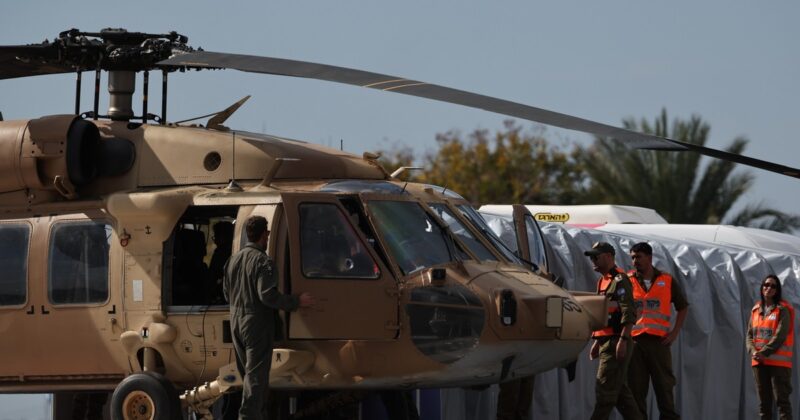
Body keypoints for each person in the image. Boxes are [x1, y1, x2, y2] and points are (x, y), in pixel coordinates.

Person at [224, 215, 315, 419]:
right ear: (264, 235)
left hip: (235, 320)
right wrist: (296, 301)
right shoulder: (262, 262)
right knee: (256, 377)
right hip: (255, 323)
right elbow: (267, 296)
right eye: (267, 234)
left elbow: (226, 292)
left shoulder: (233, 260)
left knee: (247, 375)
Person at [627, 242, 688, 419]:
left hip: (659, 344)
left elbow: (683, 307)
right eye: (632, 257)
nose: (634, 261)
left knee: (665, 389)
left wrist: (675, 332)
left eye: (638, 257)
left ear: (649, 257)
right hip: (636, 342)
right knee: (636, 391)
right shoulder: (627, 280)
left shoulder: (667, 280)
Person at [584, 241, 642, 420]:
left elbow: (629, 311)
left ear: (609, 256)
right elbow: (604, 314)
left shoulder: (619, 279)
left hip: (616, 341)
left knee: (605, 392)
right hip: (606, 340)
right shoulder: (603, 281)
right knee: (620, 394)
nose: (593, 260)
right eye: (591, 257)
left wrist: (623, 340)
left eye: (596, 256)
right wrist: (596, 340)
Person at [747, 274, 794, 420]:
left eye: (773, 286)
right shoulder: (755, 310)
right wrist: (754, 351)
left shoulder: (782, 309)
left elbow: (780, 335)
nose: (769, 288)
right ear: (762, 288)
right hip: (759, 363)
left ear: (777, 290)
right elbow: (749, 335)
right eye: (766, 285)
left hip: (778, 364)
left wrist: (764, 352)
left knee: (782, 404)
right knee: (763, 404)